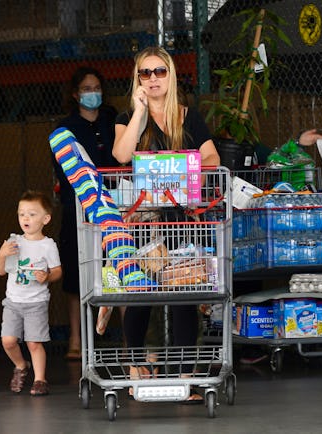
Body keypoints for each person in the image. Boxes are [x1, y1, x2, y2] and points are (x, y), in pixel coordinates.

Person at [113, 46, 220, 402]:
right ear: (137, 79)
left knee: (183, 294)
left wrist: (182, 173)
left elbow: (211, 157)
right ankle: (135, 366)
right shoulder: (127, 116)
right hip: (144, 223)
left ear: (171, 75)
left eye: (160, 71)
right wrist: (140, 114)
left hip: (180, 220)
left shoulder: (188, 116)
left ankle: (185, 375)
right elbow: (121, 155)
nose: (153, 79)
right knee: (140, 293)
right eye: (146, 73)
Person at [53, 66, 119, 360]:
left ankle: (121, 336)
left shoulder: (112, 120)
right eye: (86, 89)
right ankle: (76, 340)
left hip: (114, 205)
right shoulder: (65, 128)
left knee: (117, 266)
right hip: (77, 207)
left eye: (96, 88)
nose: (92, 93)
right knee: (75, 276)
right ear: (75, 93)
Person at [0, 190, 62, 396]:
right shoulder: (13, 242)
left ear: (45, 219)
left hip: (36, 302)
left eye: (32, 214)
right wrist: (1, 254)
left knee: (34, 342)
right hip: (13, 301)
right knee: (8, 340)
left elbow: (58, 271)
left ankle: (40, 379)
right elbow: (0, 270)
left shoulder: (47, 245)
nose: (26, 218)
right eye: (22, 213)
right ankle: (21, 366)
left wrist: (47, 277)